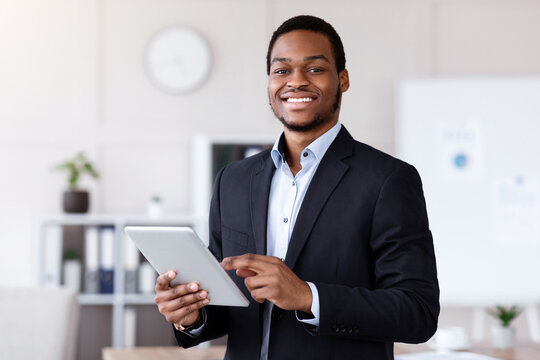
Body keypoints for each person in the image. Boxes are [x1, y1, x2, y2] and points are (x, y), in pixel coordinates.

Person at [154, 15, 439, 360]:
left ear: (343, 79)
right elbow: (229, 307)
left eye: (315, 69)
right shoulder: (234, 179)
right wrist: (192, 315)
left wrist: (308, 296)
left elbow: (418, 313)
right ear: (270, 82)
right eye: (281, 70)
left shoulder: (388, 180)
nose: (296, 82)